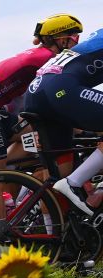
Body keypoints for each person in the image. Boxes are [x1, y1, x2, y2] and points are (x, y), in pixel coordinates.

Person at [0, 14, 82, 238]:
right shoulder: (46, 59)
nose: (76, 44)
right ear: (61, 40)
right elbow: (55, 96)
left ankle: (19, 170)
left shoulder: (37, 54)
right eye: (74, 38)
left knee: (38, 135)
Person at [26, 24, 103, 215]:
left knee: (60, 170)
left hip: (37, 93)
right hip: (61, 89)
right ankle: (73, 182)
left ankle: (56, 237)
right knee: (65, 179)